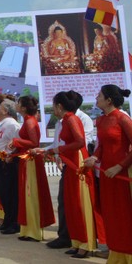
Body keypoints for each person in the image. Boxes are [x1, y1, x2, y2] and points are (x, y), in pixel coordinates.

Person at [33, 91, 100, 258]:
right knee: (70, 203)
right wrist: (52, 151)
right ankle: (77, 242)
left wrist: (57, 150)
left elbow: (80, 142)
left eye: (54, 106)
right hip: (69, 162)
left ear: (59, 106)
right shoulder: (66, 119)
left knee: (79, 203)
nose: (53, 109)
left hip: (77, 163)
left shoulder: (71, 119)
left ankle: (85, 244)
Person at [82, 84, 132, 263]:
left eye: (99, 96)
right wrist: (94, 158)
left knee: (123, 213)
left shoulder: (122, 118)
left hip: (121, 175)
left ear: (109, 100)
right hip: (105, 174)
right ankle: (115, 251)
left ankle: (127, 253)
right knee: (110, 213)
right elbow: (101, 146)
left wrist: (120, 166)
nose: (96, 98)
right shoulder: (101, 120)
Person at [12, 95, 54, 241]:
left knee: (31, 194)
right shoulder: (27, 120)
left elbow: (34, 142)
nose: (16, 105)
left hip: (30, 159)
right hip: (26, 159)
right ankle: (28, 229)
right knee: (27, 194)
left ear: (23, 108)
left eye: (18, 103)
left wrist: (16, 141)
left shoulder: (30, 121)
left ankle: (34, 230)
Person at [0, 98, 22, 235]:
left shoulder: (12, 125)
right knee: (3, 193)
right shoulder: (3, 124)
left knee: (10, 193)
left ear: (5, 110)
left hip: (7, 162)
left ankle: (14, 222)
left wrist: (10, 155)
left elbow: (17, 143)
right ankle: (7, 220)